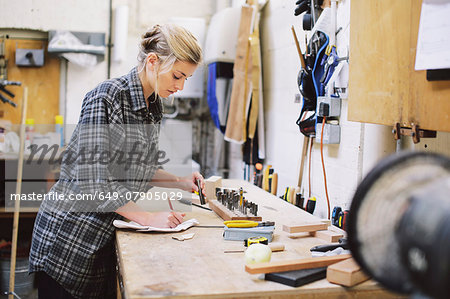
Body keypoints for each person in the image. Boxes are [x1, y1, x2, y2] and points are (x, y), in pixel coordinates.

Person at [29, 24, 204, 299]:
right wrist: (149, 218)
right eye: (178, 75)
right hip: (71, 242)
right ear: (153, 61)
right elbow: (93, 182)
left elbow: (139, 169)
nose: (180, 86)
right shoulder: (107, 97)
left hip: (102, 241)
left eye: (186, 79)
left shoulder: (153, 106)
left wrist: (179, 181)